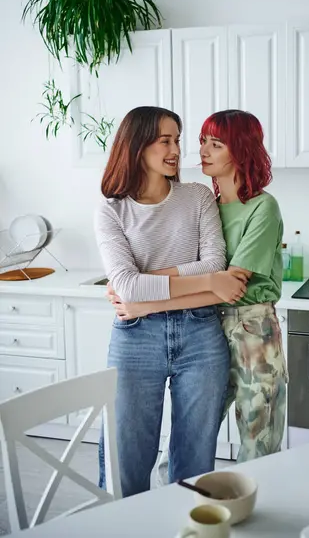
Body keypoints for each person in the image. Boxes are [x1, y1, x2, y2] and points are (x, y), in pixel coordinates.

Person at [108, 109, 289, 483]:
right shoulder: (209, 201)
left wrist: (141, 293)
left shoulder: (260, 206)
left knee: (259, 432)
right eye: (202, 141)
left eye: (216, 144)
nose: (201, 151)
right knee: (193, 436)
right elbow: (208, 279)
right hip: (209, 321)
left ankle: (256, 510)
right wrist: (133, 285)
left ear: (240, 150)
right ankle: (175, 504)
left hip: (252, 327)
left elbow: (229, 280)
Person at [94, 106, 248, 497]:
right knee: (125, 457)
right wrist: (208, 281)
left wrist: (147, 288)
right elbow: (128, 287)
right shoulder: (111, 208)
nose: (176, 149)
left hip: (201, 333)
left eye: (177, 139)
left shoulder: (197, 197)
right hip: (135, 339)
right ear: (136, 145)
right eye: (165, 140)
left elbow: (214, 262)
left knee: (195, 459)